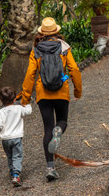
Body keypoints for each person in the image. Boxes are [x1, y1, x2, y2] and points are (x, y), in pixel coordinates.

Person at [19, 17, 82, 182]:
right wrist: (77, 90)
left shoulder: (36, 50)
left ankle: (50, 168)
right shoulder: (64, 47)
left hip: (43, 94)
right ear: (56, 32)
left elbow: (30, 75)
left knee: (48, 128)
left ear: (42, 33)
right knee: (62, 121)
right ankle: (59, 131)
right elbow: (74, 69)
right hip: (61, 91)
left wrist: (25, 98)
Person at [0, 86, 32, 187]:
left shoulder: (1, 112)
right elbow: (28, 111)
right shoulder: (19, 108)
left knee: (10, 155)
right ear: (15, 99)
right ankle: (16, 175)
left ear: (1, 100)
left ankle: (12, 170)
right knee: (17, 156)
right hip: (16, 137)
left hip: (5, 139)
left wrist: (0, 129)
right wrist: (27, 104)